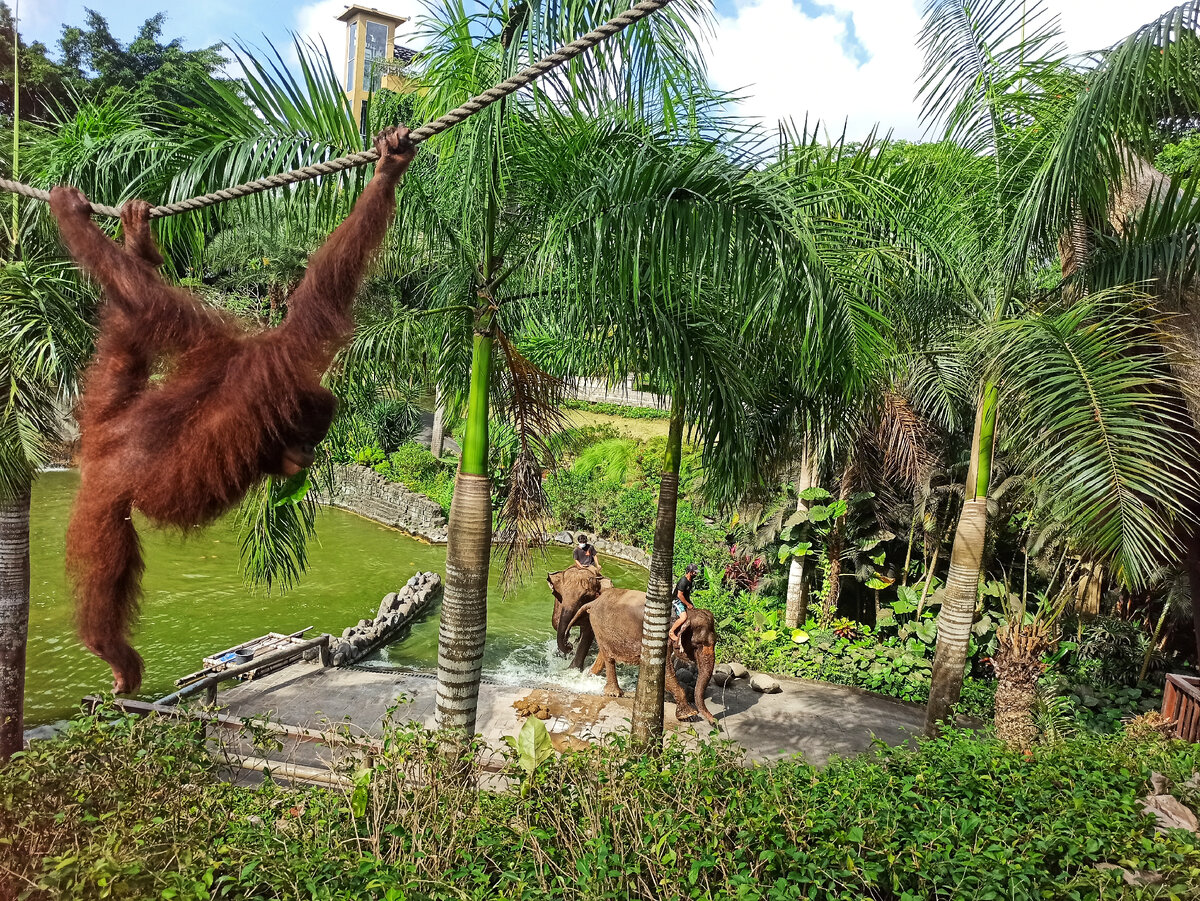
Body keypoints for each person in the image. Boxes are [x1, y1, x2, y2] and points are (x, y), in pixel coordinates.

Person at [668, 563, 699, 651]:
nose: (696, 574)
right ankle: (672, 631)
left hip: (684, 599)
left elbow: (686, 595)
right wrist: (688, 604)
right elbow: (680, 595)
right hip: (677, 600)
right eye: (694, 572)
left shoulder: (690, 581)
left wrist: (690, 604)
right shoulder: (683, 581)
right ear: (690, 572)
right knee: (683, 617)